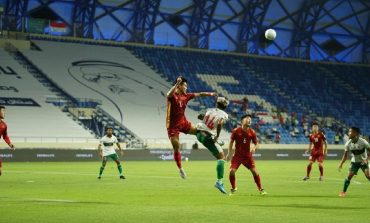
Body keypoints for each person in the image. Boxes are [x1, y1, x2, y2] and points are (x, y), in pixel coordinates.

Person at [166, 76, 216, 179]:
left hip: (183, 122)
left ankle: (214, 139)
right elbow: (168, 94)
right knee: (177, 148)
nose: (186, 88)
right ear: (179, 86)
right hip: (172, 126)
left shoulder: (186, 96)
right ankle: (180, 169)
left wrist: (210, 94)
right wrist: (175, 84)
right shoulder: (173, 96)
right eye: (185, 85)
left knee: (199, 130)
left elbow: (200, 94)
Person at [225, 114, 267, 195]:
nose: (249, 120)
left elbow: (257, 143)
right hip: (237, 156)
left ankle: (260, 189)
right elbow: (231, 142)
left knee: (255, 172)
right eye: (247, 119)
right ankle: (234, 188)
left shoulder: (252, 132)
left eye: (250, 119)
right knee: (231, 171)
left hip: (247, 156)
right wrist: (228, 153)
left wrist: (254, 148)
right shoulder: (236, 131)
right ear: (242, 121)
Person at [196, 97, 229, 194]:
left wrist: (206, 118)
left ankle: (218, 142)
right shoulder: (224, 114)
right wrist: (217, 136)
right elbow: (219, 124)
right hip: (207, 136)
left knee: (216, 144)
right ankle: (219, 182)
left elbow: (199, 116)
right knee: (221, 158)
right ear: (225, 105)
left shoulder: (209, 110)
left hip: (199, 134)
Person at [338, 127, 370, 197]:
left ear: (355, 133)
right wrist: (341, 164)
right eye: (349, 131)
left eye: (350, 132)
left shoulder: (363, 142)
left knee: (368, 176)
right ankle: (343, 192)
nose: (349, 133)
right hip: (354, 162)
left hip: (364, 162)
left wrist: (366, 160)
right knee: (349, 176)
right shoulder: (348, 144)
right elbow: (345, 155)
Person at [0, 106, 15, 176]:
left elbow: (5, 136)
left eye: (4, 111)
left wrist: (10, 144)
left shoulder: (4, 125)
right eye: (2, 111)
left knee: (0, 171)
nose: (4, 113)